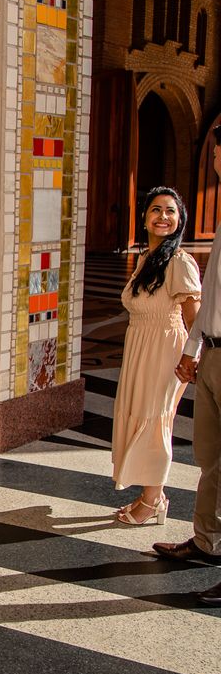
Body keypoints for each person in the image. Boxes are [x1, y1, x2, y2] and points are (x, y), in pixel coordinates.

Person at [153, 126, 221, 605]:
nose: (219, 159)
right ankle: (207, 541)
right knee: (210, 458)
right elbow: (211, 298)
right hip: (214, 352)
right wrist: (193, 348)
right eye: (219, 151)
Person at [111, 186, 201, 524]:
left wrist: (191, 358)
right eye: (156, 210)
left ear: (180, 220)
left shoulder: (180, 261)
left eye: (170, 211)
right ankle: (154, 495)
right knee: (140, 414)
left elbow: (195, 316)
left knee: (155, 419)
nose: (163, 216)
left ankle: (151, 504)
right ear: (144, 217)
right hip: (141, 345)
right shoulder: (149, 259)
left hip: (165, 350)